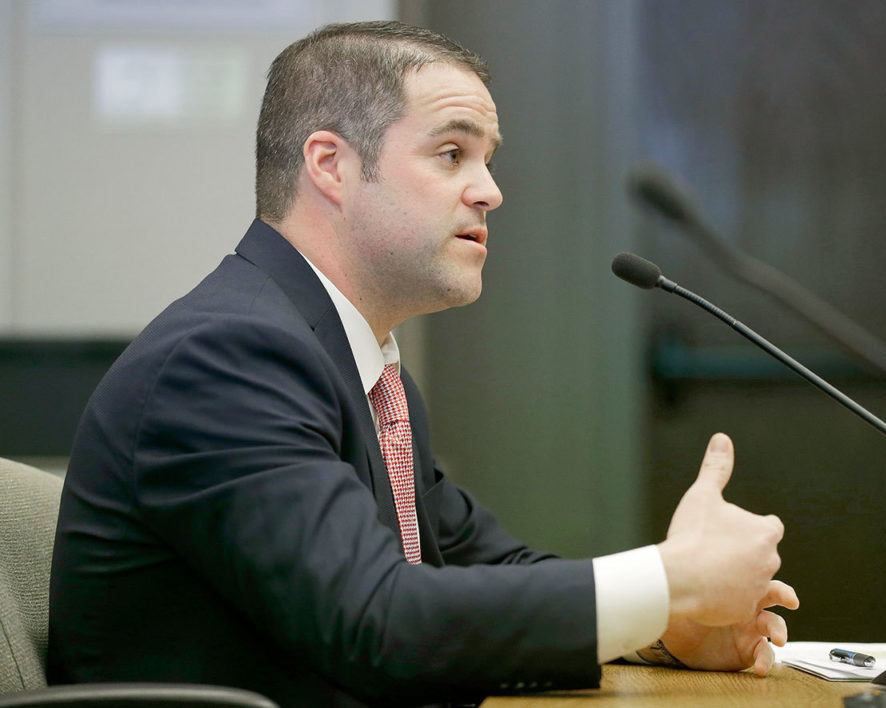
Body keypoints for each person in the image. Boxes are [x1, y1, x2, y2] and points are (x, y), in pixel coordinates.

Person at [48, 21, 797, 707]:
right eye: (451, 153)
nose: (491, 191)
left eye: (488, 159)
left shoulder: (363, 370)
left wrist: (663, 628)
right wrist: (669, 581)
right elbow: (376, 619)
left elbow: (476, 573)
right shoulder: (224, 359)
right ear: (331, 166)